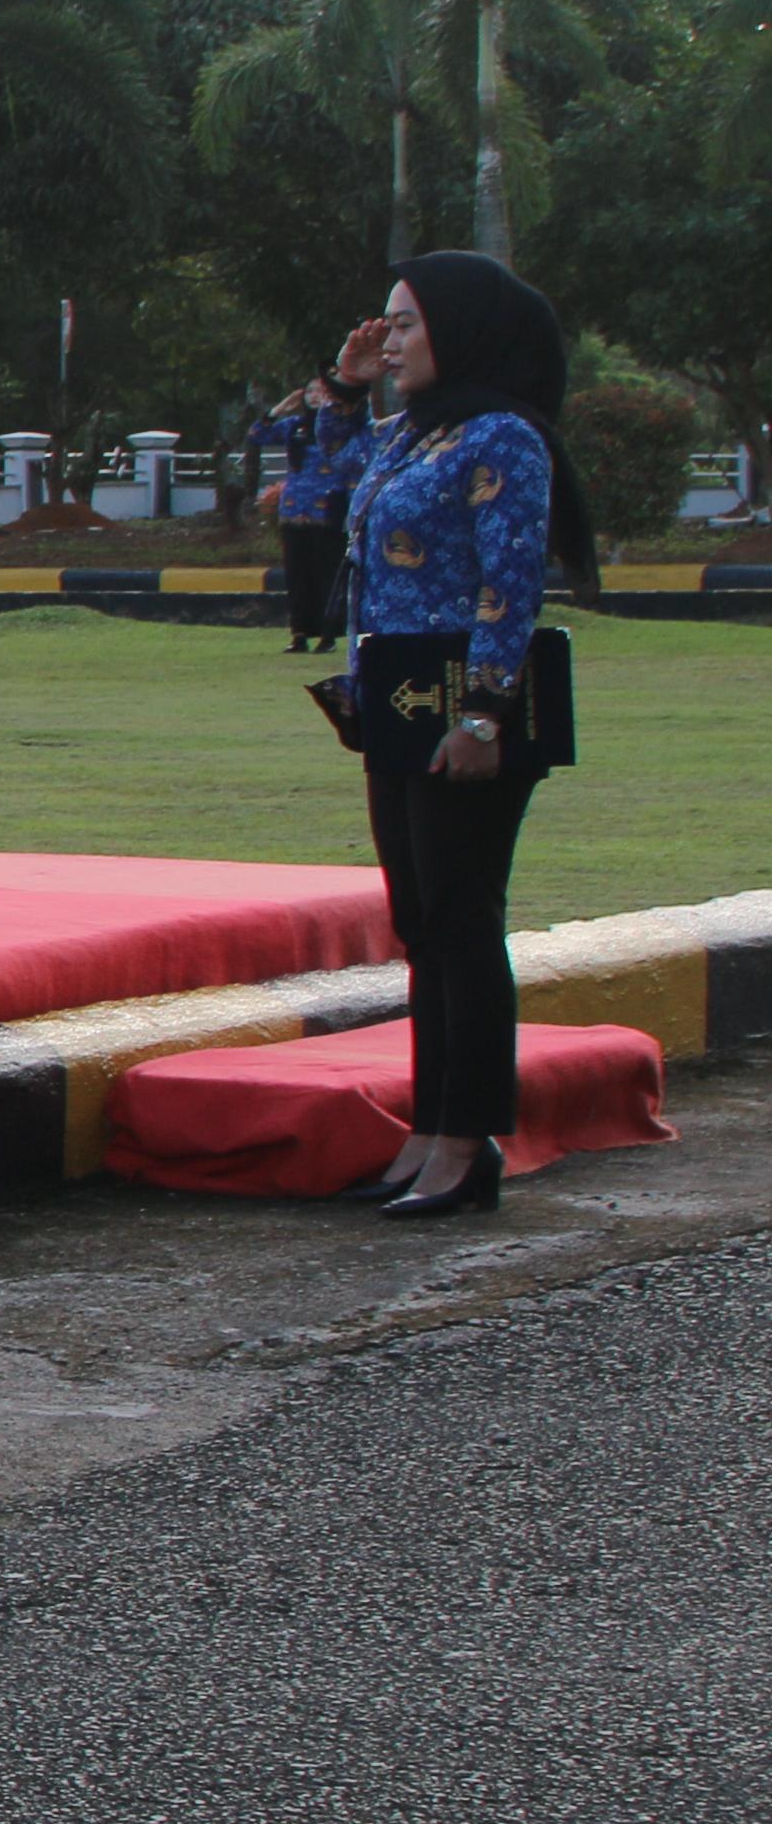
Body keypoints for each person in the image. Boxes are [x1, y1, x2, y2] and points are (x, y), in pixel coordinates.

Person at [282, 253, 598, 1219]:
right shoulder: (413, 435)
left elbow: (511, 585)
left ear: (461, 331)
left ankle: (470, 1143)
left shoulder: (501, 438)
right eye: (386, 324)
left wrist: (485, 714)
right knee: (420, 924)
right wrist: (344, 386)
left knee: (464, 924)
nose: (394, 340)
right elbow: (320, 494)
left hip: (466, 705)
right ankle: (427, 1129)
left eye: (408, 324)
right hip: (397, 699)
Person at [255, 380, 351, 652]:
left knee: (326, 573)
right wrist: (280, 409)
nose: (314, 396)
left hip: (327, 509)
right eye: (309, 392)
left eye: (320, 391)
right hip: (295, 509)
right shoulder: (294, 426)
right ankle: (299, 634)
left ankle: (328, 635)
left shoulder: (341, 426)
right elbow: (257, 435)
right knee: (297, 574)